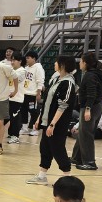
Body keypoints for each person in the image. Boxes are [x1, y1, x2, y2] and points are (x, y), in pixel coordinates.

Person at [27, 55, 77, 185]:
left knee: (57, 149)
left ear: (63, 65)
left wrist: (53, 124)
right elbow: (47, 102)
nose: (55, 64)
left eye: (57, 62)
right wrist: (40, 118)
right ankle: (42, 176)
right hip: (47, 121)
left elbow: (63, 106)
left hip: (57, 123)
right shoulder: (56, 79)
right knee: (45, 148)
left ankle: (67, 178)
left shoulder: (68, 83)